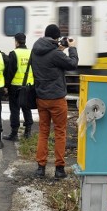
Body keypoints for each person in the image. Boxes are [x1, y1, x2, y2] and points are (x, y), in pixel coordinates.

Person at [31, 24, 78, 179]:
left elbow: (48, 60)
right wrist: (72, 48)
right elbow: (72, 64)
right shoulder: (55, 54)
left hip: (41, 98)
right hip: (57, 99)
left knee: (43, 133)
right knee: (60, 132)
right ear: (57, 38)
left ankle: (40, 168)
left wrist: (59, 51)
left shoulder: (36, 50)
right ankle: (59, 169)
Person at [3, 33, 34, 141]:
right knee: (27, 108)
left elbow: (10, 71)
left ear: (16, 41)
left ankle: (14, 134)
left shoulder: (14, 53)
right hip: (29, 86)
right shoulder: (31, 53)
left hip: (15, 87)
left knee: (15, 110)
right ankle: (28, 132)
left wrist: (6, 85)